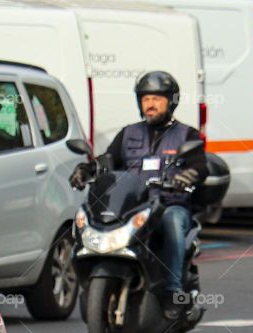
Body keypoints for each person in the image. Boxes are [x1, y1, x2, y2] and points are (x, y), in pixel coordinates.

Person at [69, 70, 205, 319]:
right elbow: (107, 161)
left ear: (171, 101)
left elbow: (199, 166)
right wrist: (86, 170)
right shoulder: (128, 133)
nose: (150, 104)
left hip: (169, 204)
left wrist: (188, 176)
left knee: (173, 222)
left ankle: (173, 290)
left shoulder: (188, 135)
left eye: (157, 98)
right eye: (145, 99)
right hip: (134, 205)